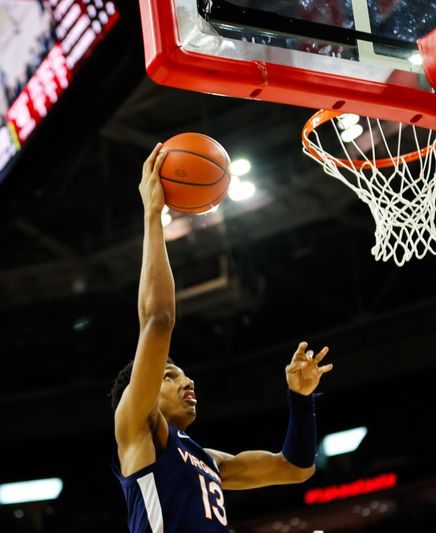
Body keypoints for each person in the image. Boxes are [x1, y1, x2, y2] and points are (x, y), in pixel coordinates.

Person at [110, 143, 334, 532]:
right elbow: (158, 322)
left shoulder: (208, 459)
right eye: (169, 375)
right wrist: (153, 214)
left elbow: (296, 468)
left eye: (180, 373)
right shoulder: (136, 427)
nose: (187, 380)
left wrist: (300, 400)